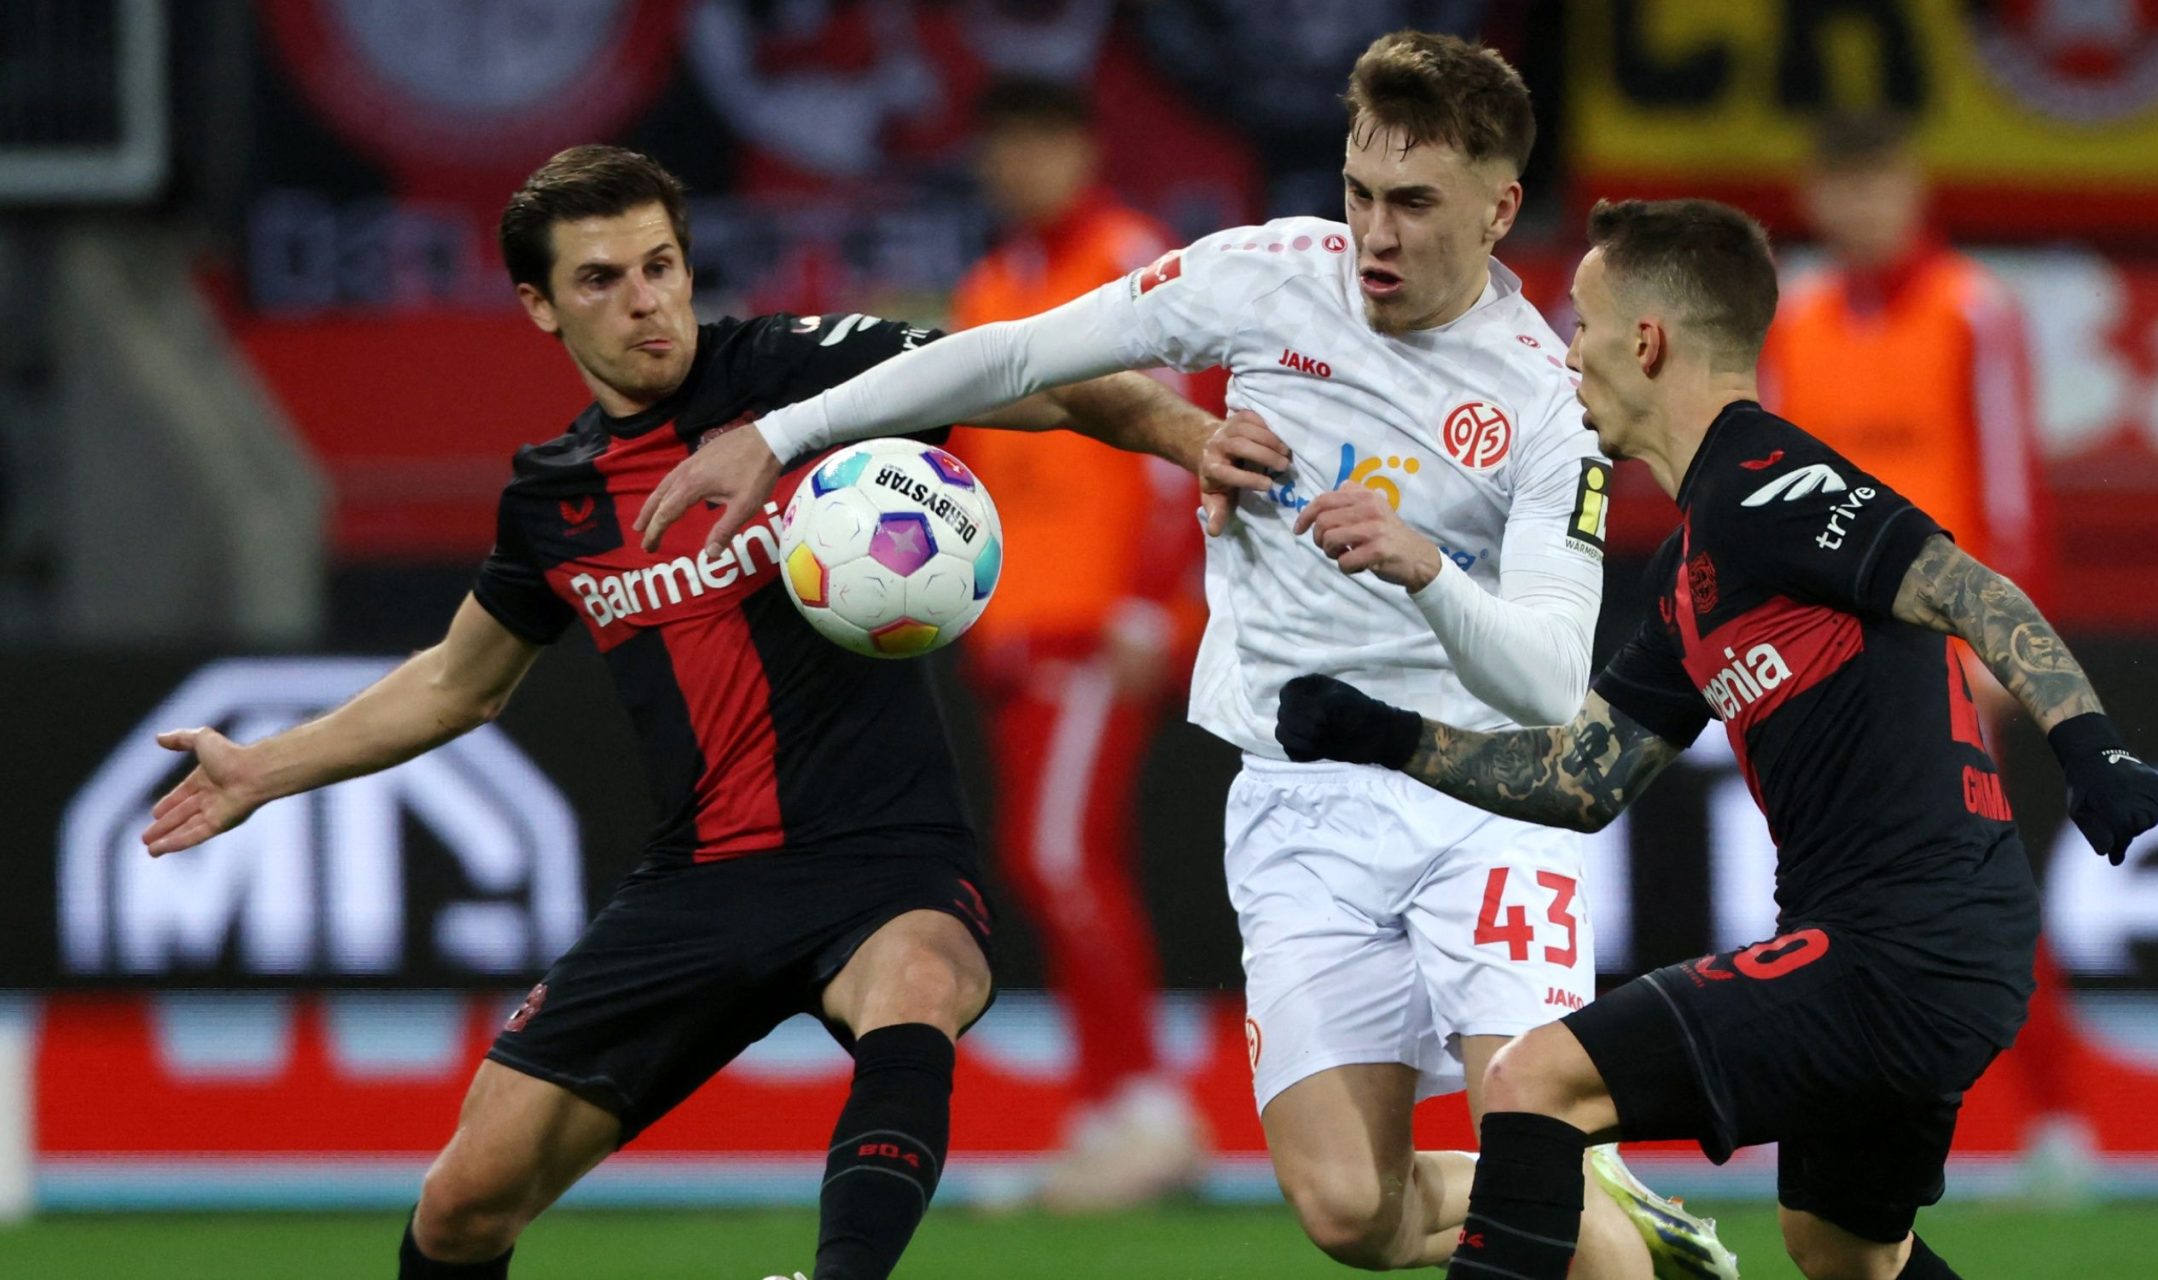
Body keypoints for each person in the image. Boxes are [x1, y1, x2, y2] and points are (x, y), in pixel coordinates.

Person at [640, 32, 1727, 1280]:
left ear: (1498, 207)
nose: (1374, 233)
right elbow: (1014, 352)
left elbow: (1543, 677)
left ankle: (1570, 1190)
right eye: (1359, 191)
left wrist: (1424, 565)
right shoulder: (1266, 274)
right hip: (1296, 800)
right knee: (1351, 1212)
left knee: (1527, 1145)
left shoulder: (1546, 399)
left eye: (1415, 204)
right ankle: (1599, 1196)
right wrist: (782, 432)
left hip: (1479, 802)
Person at [138, 145, 1214, 1280]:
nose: (644, 300)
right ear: (541, 305)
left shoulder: (810, 374)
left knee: (919, 986)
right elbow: (460, 681)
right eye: (601, 279)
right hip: (698, 882)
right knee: (461, 1205)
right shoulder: (554, 495)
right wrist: (263, 770)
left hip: (884, 853)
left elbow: (1047, 376)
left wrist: (1198, 441)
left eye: (660, 266)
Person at [1272, 198, 2158, 1280]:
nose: (1570, 353)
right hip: (1931, 950)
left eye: (1586, 325)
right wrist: (1387, 734)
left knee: (1533, 1081)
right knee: (1841, 1248)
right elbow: (1581, 778)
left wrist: (2092, 746)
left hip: (1899, 944)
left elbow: (1972, 589)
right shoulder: (1695, 563)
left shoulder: (1770, 482)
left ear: (1646, 343)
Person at [1765, 112, 2096, 1198]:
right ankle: (1813, 1106)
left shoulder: (1971, 310)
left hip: (1943, 649)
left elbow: (2008, 488)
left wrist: (2005, 643)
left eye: (1878, 185)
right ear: (1815, 197)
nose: (1861, 209)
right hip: (1825, 652)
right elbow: (1771, 490)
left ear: (1912, 189)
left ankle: (2056, 1116)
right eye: (1843, 187)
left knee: (1978, 877)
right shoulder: (1797, 319)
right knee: (1819, 886)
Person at [945, 76, 1213, 1210]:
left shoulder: (1129, 258)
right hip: (1017, 627)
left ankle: (1146, 1110)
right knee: (1053, 860)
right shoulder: (992, 284)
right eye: (1002, 144)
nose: (1020, 164)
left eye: (1040, 141)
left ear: (1085, 147)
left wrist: (1156, 603)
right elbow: (968, 470)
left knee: (1058, 857)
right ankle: (1107, 1116)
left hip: (1103, 624)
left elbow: (1180, 437)